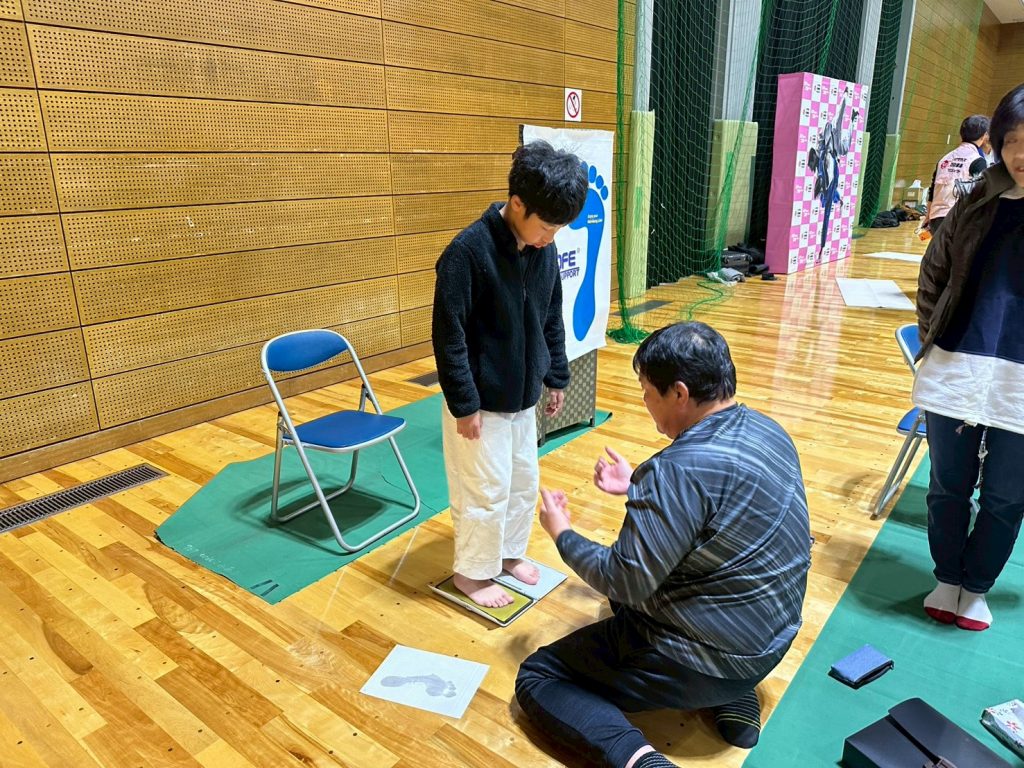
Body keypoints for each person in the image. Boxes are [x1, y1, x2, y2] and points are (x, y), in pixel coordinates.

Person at [515, 322, 811, 768]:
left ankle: (640, 757)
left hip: (710, 659)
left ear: (679, 393)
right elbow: (715, 504)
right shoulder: (768, 431)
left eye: (647, 392)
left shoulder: (675, 469)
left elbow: (624, 580)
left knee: (539, 676)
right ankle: (733, 696)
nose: (644, 402)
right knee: (632, 598)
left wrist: (562, 532)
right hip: (772, 642)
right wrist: (638, 484)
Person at [432, 140, 588, 608]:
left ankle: (508, 554)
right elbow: (449, 337)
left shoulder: (542, 251)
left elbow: (551, 316)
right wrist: (465, 404)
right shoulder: (466, 253)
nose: (550, 238)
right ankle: (472, 573)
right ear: (517, 204)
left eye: (558, 229)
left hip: (522, 399)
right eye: (546, 226)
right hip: (480, 404)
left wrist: (556, 376)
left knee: (521, 483)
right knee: (485, 490)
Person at [914, 83, 1024, 632]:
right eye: (1013, 140)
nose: (1021, 154)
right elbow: (933, 271)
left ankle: (976, 586)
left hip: (1020, 380)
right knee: (948, 485)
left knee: (1007, 494)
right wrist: (932, 335)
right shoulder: (979, 196)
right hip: (957, 364)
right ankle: (947, 577)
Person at [923, 114, 990, 235]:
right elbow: (982, 195)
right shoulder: (977, 161)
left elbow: (932, 192)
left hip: (936, 219)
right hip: (960, 220)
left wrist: (928, 217)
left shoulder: (944, 159)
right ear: (984, 135)